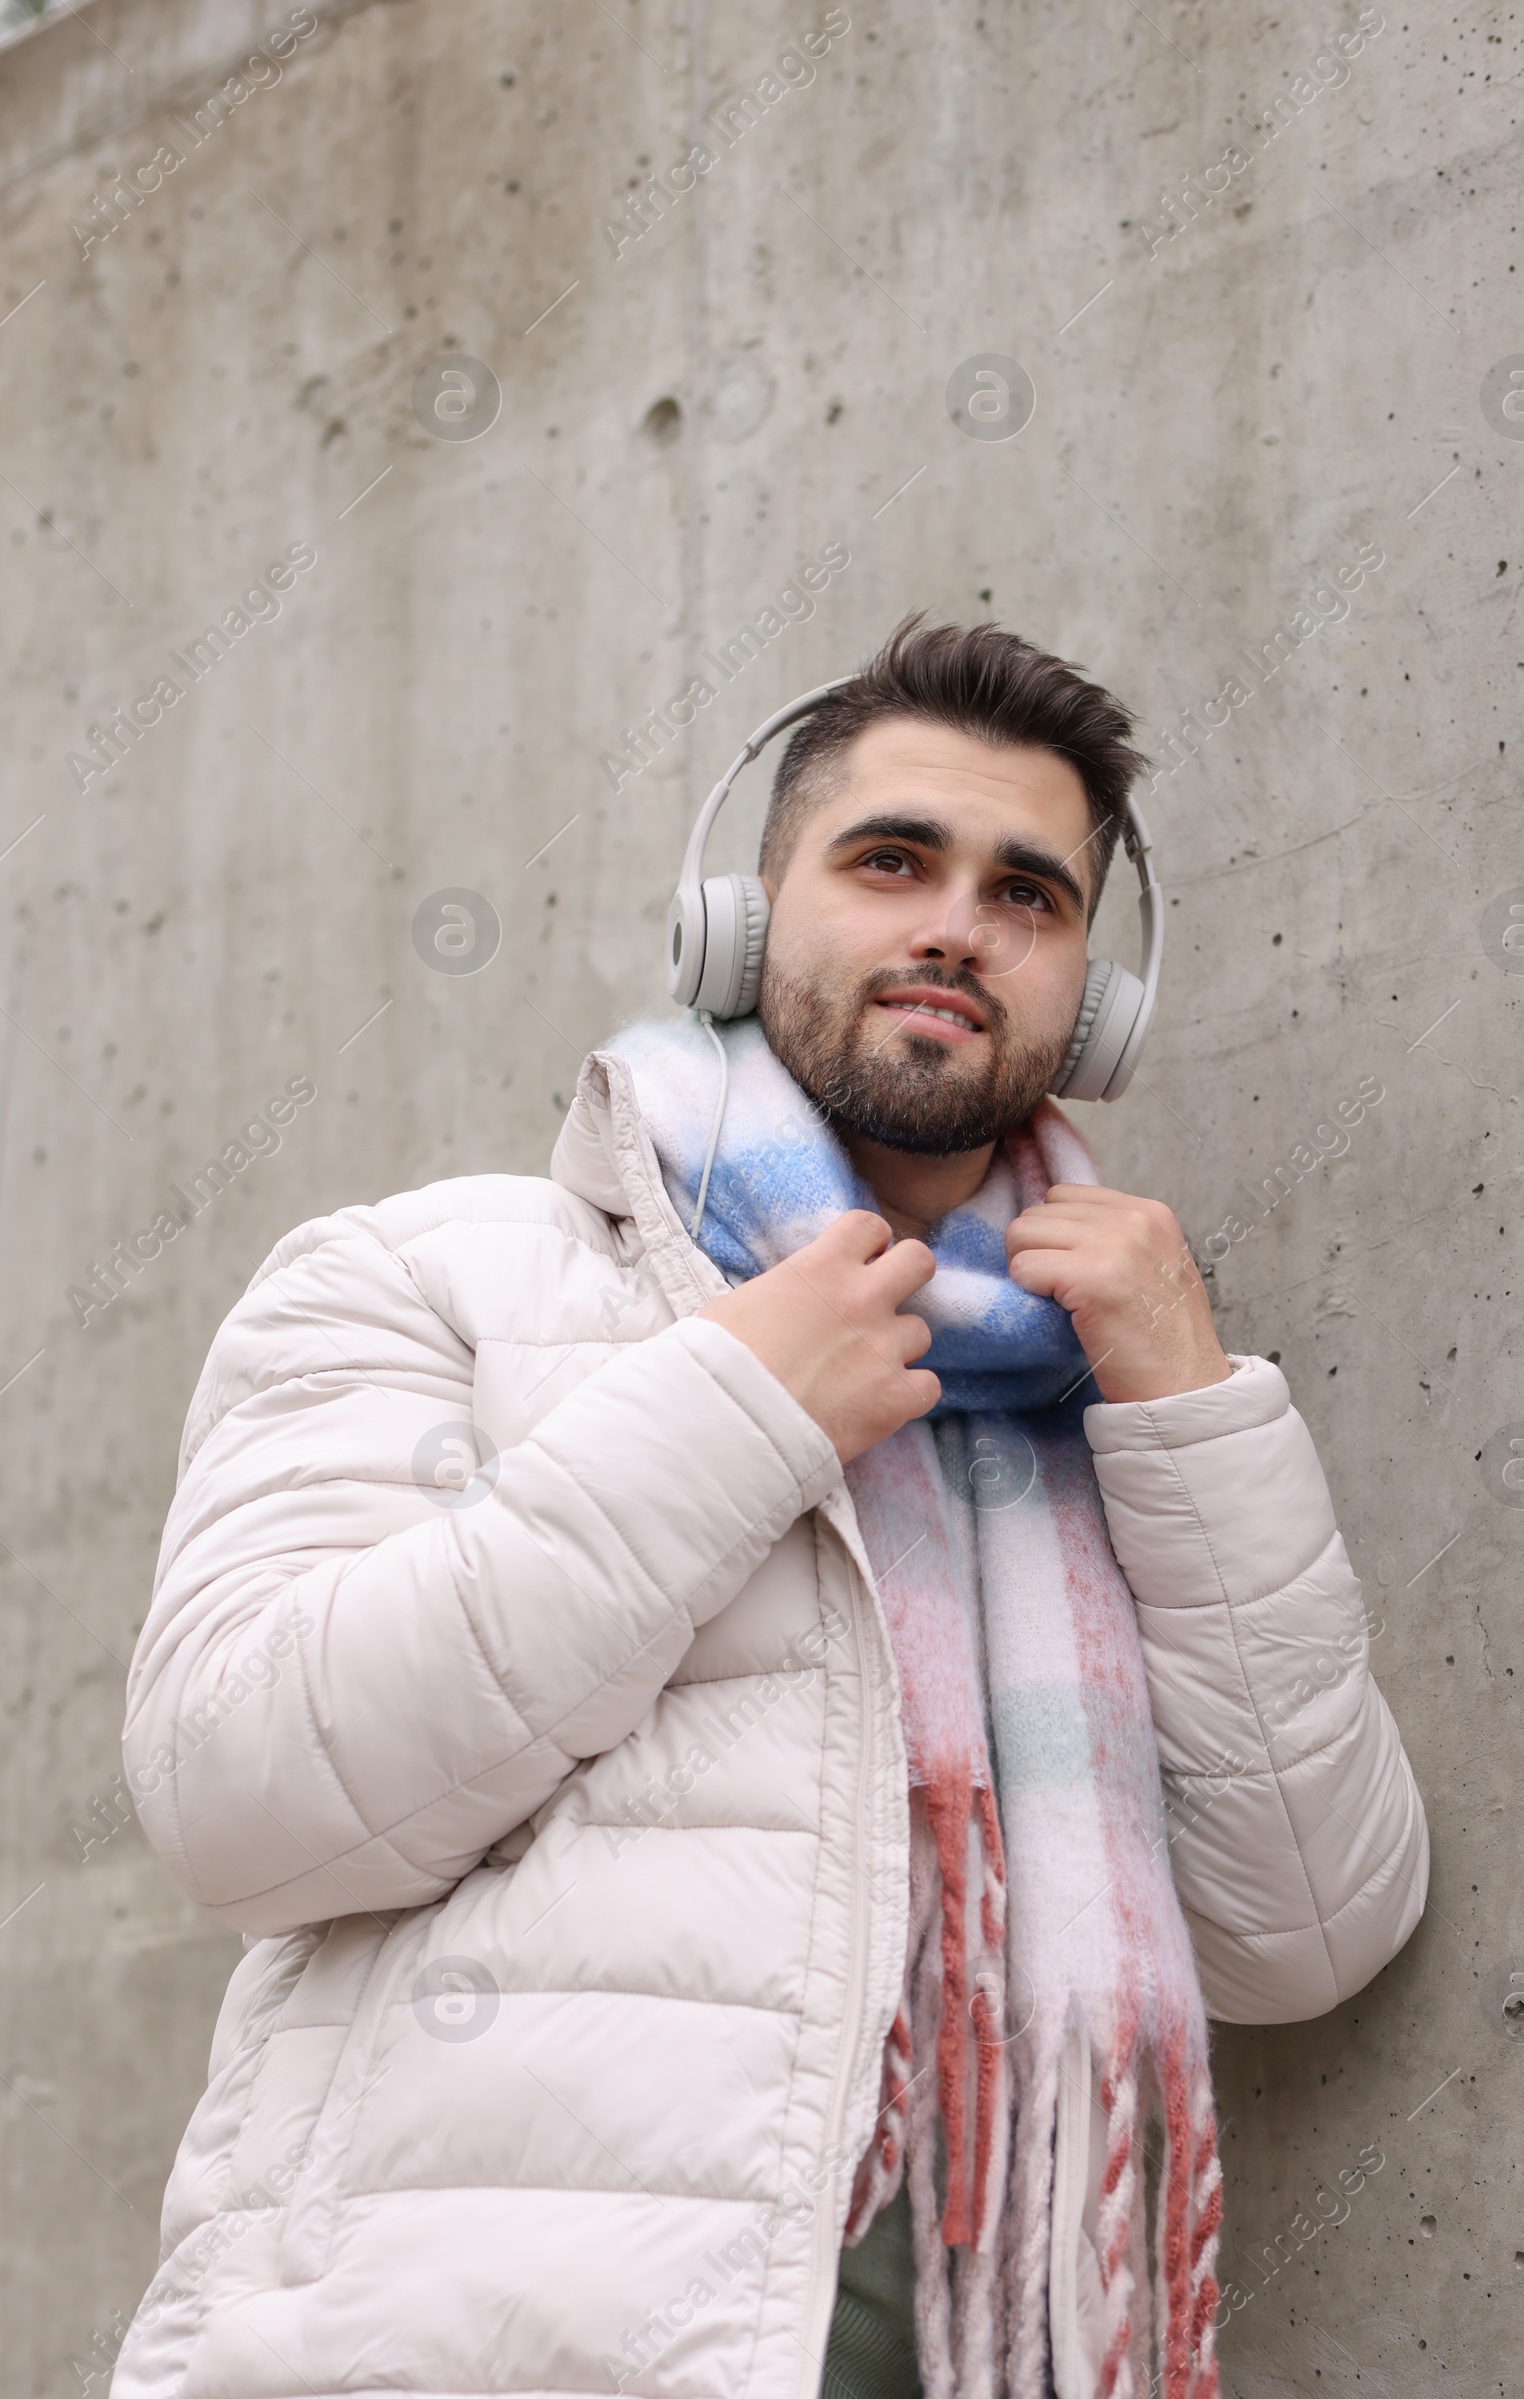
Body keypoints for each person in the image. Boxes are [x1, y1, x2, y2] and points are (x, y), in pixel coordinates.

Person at [112, 615, 1428, 2399]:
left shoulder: (1108, 1398)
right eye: (891, 861)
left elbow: (1306, 1931)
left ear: (1096, 1009)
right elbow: (241, 1795)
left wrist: (1192, 1409)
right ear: (735, 921)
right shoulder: (427, 1276)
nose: (958, 922)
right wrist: (736, 1413)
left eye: (1029, 896)